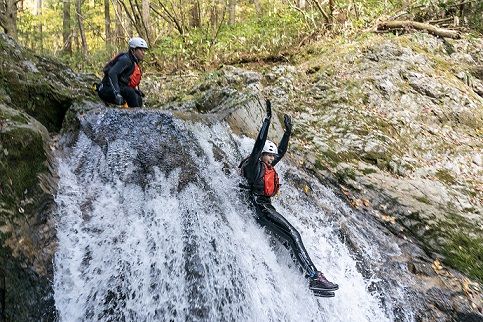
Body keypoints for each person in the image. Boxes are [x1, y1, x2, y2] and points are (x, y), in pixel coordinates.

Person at [239, 99, 339, 296]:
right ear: (262, 155)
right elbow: (258, 145)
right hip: (260, 208)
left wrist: (288, 132)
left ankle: (308, 280)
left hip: (267, 208)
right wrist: (266, 120)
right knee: (293, 234)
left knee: (288, 241)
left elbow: (282, 152)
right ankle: (314, 277)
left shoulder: (266, 166)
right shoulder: (253, 164)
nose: (272, 159)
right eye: (269, 156)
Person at [97, 37, 148, 107]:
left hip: (114, 88)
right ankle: (136, 116)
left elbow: (122, 81)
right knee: (130, 93)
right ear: (133, 50)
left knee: (138, 97)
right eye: (141, 50)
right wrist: (117, 93)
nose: (143, 53)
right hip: (105, 90)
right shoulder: (125, 60)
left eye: (144, 50)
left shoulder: (132, 61)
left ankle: (135, 114)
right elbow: (112, 73)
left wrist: (136, 91)